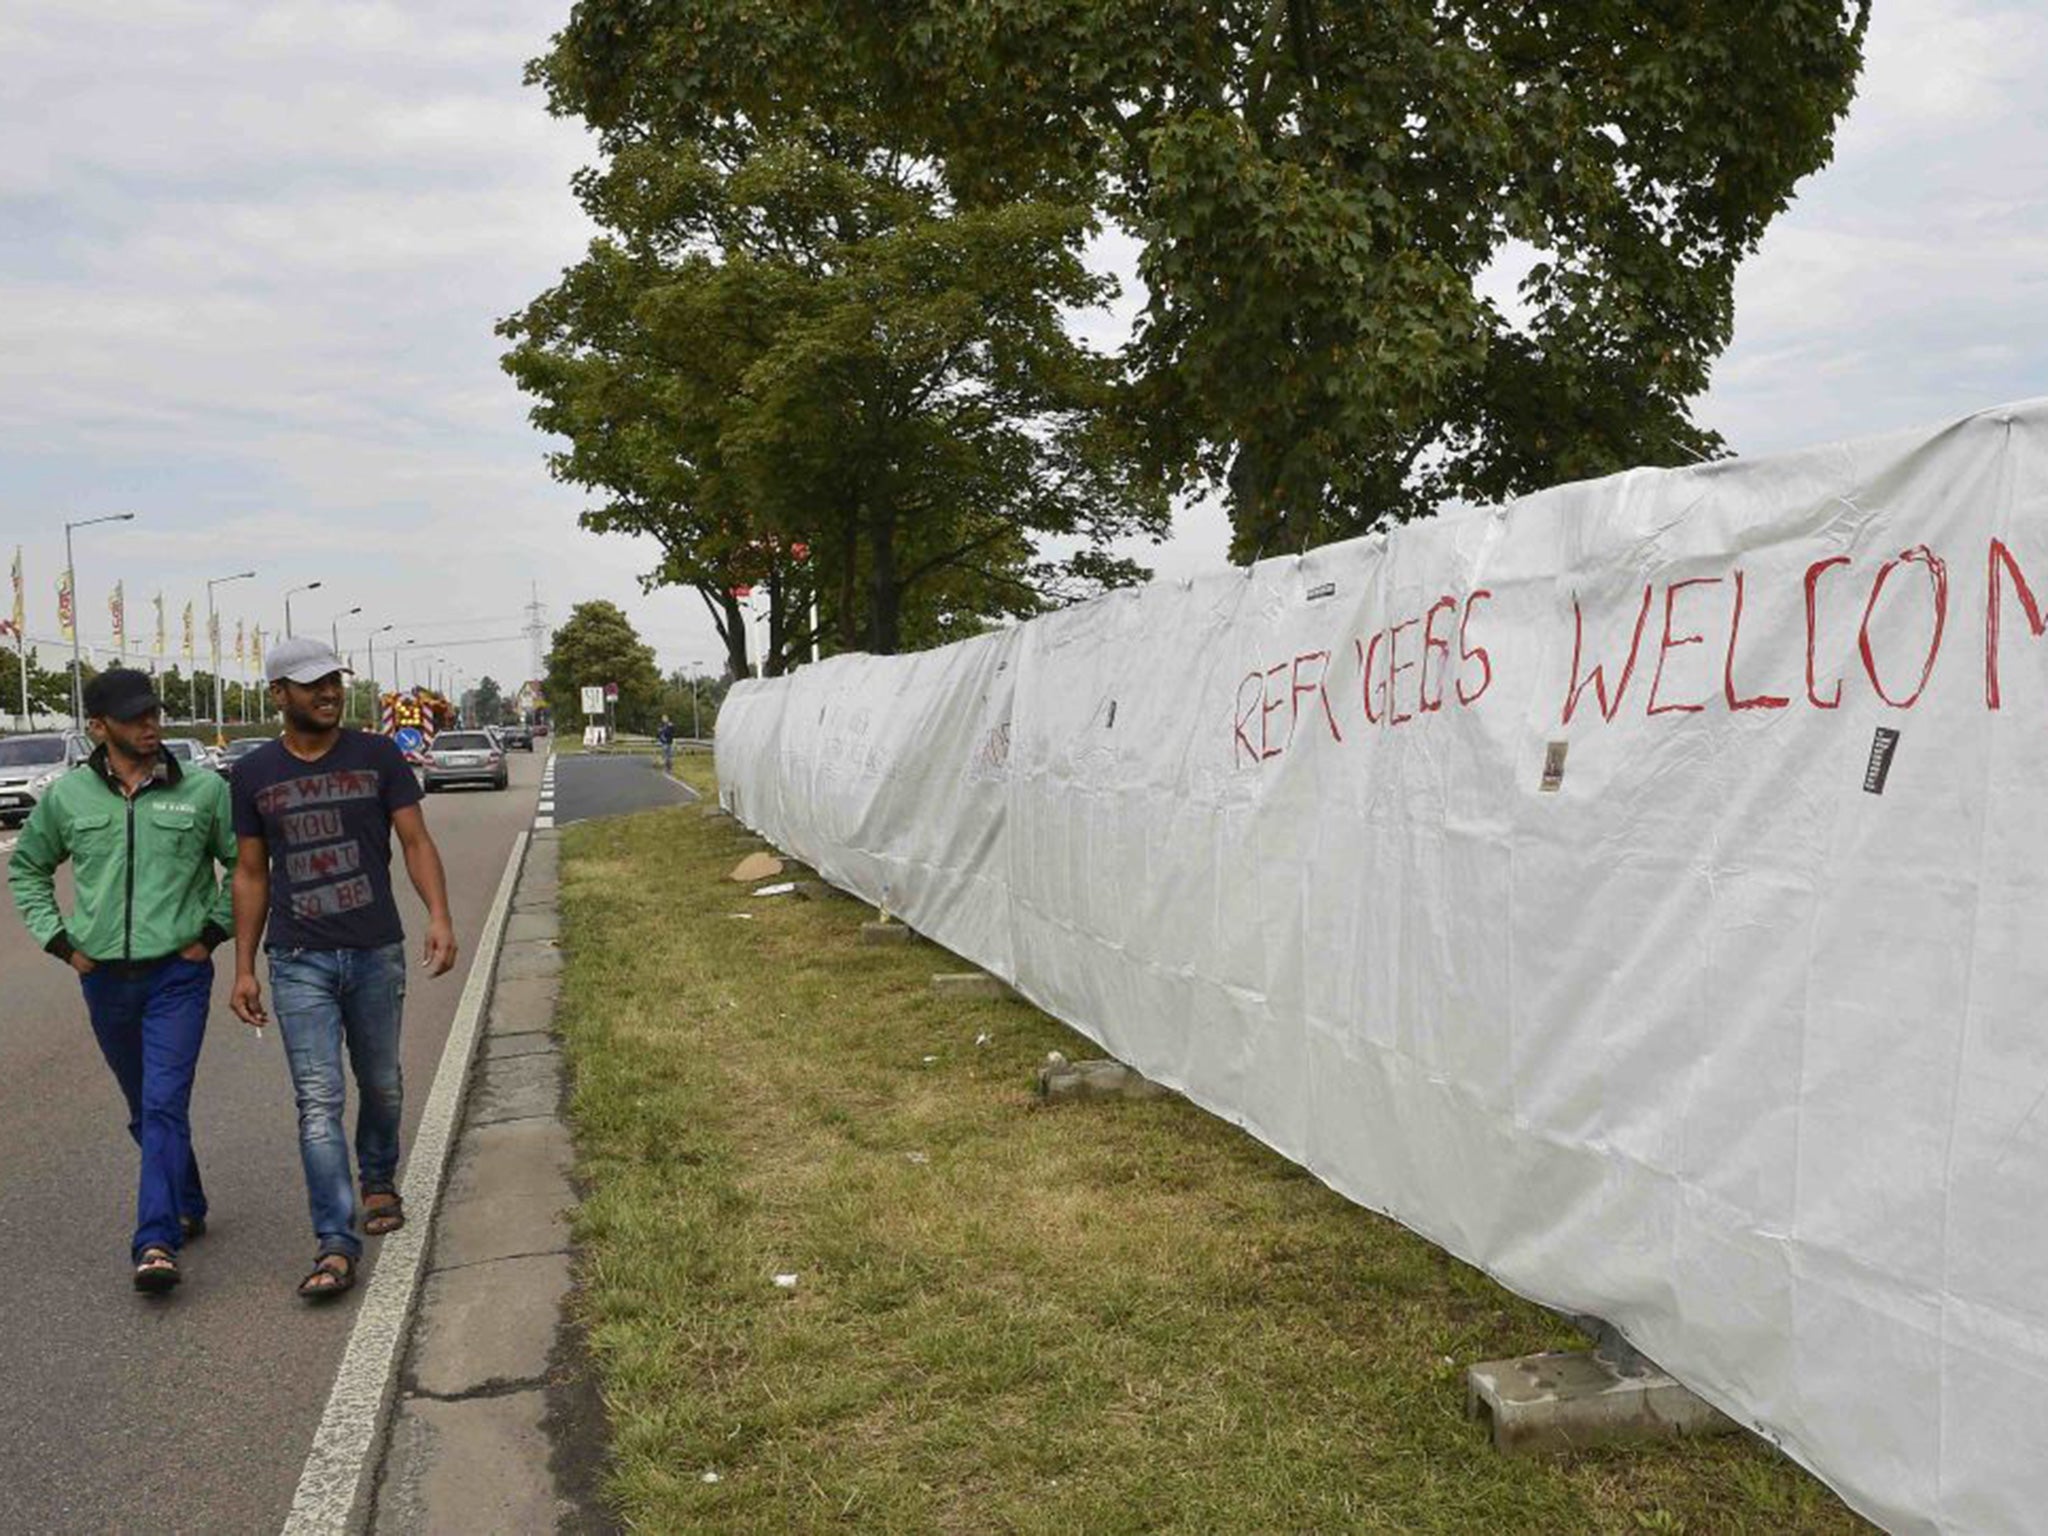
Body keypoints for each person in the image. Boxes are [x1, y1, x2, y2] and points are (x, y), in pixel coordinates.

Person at [228, 636, 458, 1301]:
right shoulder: (253, 773)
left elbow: (415, 840)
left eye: (333, 681)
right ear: (279, 695)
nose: (328, 693)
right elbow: (249, 872)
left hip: (374, 949)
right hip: (297, 958)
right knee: (319, 1100)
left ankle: (379, 1177)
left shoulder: (377, 754)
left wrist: (437, 915)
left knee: (381, 1083)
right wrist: (243, 966)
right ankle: (334, 1240)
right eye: (311, 684)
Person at [6, 668, 236, 1294]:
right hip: (104, 980)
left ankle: (155, 1240)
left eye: (154, 713)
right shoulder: (67, 798)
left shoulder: (205, 792)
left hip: (177, 976)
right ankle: (187, 1198)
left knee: (164, 1102)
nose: (151, 725)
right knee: (144, 1108)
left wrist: (210, 935)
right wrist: (61, 943)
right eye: (135, 717)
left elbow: (243, 870)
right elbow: (27, 870)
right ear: (99, 728)